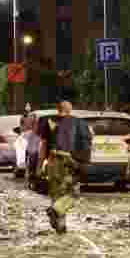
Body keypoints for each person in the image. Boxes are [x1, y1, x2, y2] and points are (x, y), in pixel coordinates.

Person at [38, 100, 92, 234]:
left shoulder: (48, 121)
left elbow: (43, 145)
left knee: (56, 193)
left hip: (52, 160)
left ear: (58, 109)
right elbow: (87, 144)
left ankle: (60, 225)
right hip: (69, 161)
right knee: (72, 194)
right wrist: (84, 163)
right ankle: (55, 211)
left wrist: (40, 165)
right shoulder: (79, 122)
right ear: (70, 110)